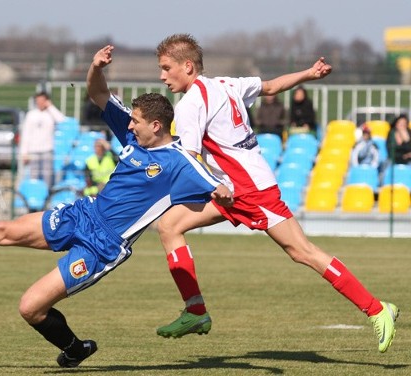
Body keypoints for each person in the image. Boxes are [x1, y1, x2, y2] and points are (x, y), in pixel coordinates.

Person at [0, 45, 233, 368]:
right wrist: (96, 67)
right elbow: (98, 93)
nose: (129, 125)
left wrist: (224, 192)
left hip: (102, 246)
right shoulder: (131, 136)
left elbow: (219, 187)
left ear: (156, 127)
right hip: (81, 214)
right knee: (1, 229)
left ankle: (75, 348)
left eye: (136, 122)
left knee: (30, 308)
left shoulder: (179, 163)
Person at [153, 33, 398, 353]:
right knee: (169, 226)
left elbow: (191, 159)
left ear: (187, 66)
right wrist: (308, 75)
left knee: (303, 252)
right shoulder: (226, 84)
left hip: (247, 190)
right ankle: (195, 310)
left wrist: (211, 186)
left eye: (166, 67)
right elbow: (270, 86)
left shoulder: (190, 106)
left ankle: (378, 310)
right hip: (235, 187)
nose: (161, 76)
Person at [19, 91, 66, 187]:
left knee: (47, 176)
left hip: (47, 150)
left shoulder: (51, 113)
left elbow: (61, 120)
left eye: (42, 100)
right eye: (38, 100)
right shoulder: (31, 114)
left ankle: (47, 198)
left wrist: (50, 107)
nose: (40, 102)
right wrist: (24, 153)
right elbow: (26, 134)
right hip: (33, 151)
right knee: (33, 176)